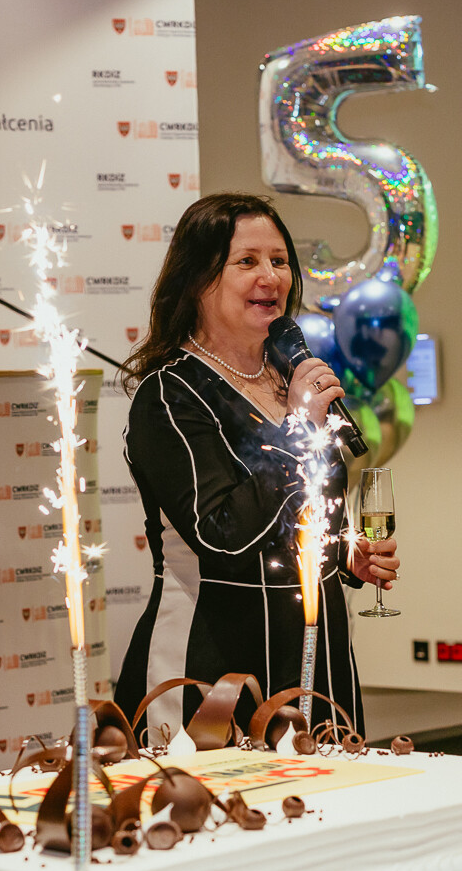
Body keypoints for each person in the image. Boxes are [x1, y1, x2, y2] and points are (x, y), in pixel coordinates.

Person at [115, 192, 399, 738]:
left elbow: (309, 512)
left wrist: (347, 554)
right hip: (213, 659)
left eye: (280, 260)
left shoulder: (292, 381)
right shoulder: (170, 395)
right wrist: (298, 430)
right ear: (197, 280)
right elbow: (220, 534)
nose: (271, 277)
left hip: (316, 651)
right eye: (246, 261)